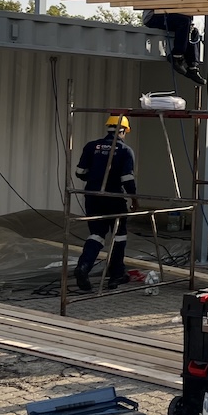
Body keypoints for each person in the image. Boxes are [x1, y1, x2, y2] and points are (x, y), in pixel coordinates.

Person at [73, 114, 138, 292]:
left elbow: (80, 172)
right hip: (114, 198)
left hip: (92, 196)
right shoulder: (125, 150)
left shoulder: (91, 146)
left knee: (96, 234)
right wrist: (134, 199)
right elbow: (127, 179)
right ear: (123, 131)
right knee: (119, 235)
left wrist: (95, 177)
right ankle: (116, 275)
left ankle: (83, 267)